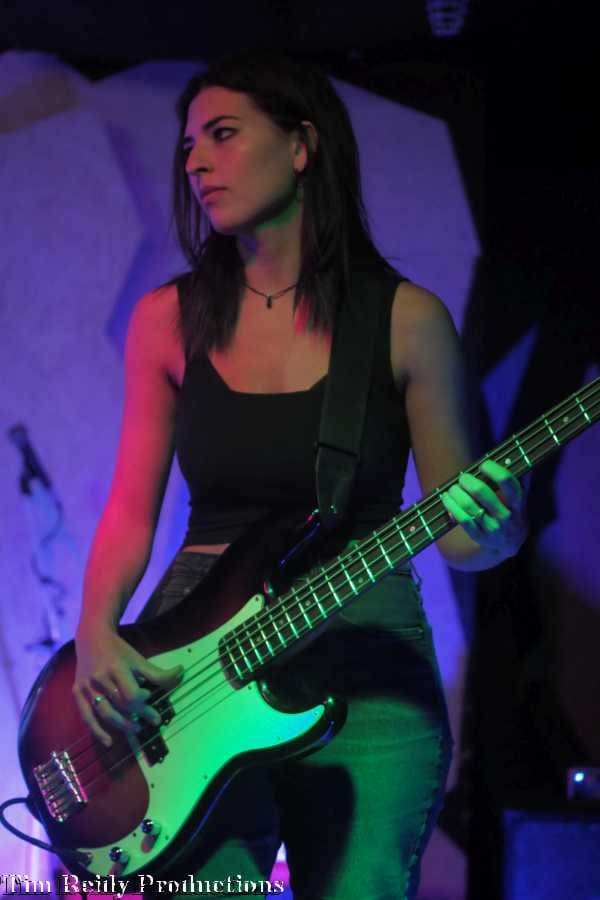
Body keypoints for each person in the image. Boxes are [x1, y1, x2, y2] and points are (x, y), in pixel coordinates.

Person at [73, 49, 527, 900]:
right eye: (187, 144)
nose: (196, 161)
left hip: (366, 650)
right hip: (196, 664)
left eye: (222, 134)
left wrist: (499, 530)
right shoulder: (166, 319)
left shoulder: (407, 319)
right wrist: (96, 631)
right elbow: (131, 509)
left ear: (301, 145)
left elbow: (463, 536)